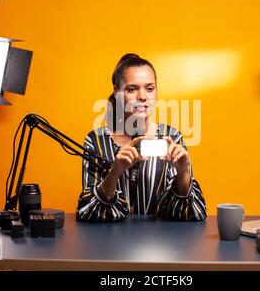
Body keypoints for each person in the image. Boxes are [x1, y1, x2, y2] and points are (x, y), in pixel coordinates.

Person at [76, 53, 207, 222]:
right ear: (117, 92)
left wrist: (183, 172)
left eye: (150, 88)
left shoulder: (171, 137)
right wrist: (114, 173)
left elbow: (192, 214)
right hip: (109, 243)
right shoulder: (96, 141)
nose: (143, 97)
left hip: (160, 243)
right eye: (132, 89)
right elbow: (88, 212)